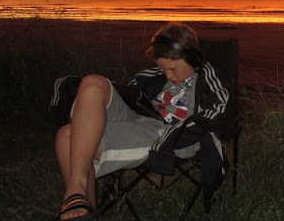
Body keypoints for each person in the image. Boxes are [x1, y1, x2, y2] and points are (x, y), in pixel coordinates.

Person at [53, 22, 232, 221]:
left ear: (193, 58)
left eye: (173, 69)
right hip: (141, 118)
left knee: (67, 136)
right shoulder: (151, 77)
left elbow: (219, 111)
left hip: (173, 135)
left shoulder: (208, 79)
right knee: (93, 82)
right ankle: (76, 193)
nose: (168, 76)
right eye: (162, 69)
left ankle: (78, 201)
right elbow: (131, 94)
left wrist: (177, 133)